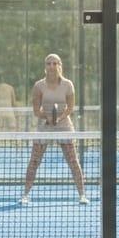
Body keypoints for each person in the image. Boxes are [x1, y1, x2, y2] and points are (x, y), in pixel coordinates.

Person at [20, 53, 87, 205]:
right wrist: (48, 119)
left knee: (73, 161)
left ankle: (82, 194)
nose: (52, 66)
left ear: (60, 66)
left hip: (64, 125)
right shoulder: (38, 86)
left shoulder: (68, 85)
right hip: (44, 125)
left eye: (55, 63)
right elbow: (36, 110)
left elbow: (70, 108)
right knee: (34, 161)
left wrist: (59, 118)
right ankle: (25, 194)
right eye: (49, 63)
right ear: (45, 67)